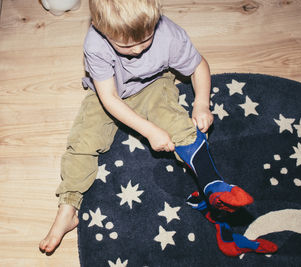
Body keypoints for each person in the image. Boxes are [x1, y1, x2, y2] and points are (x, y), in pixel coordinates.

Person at [39, 0, 253, 254]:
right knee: (82, 142)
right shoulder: (95, 43)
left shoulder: (167, 33)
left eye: (146, 38)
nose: (139, 49)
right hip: (109, 94)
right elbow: (109, 99)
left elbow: (197, 66)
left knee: (177, 122)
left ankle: (213, 184)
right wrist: (149, 130)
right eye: (127, 45)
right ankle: (68, 209)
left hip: (153, 84)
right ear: (100, 27)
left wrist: (201, 104)